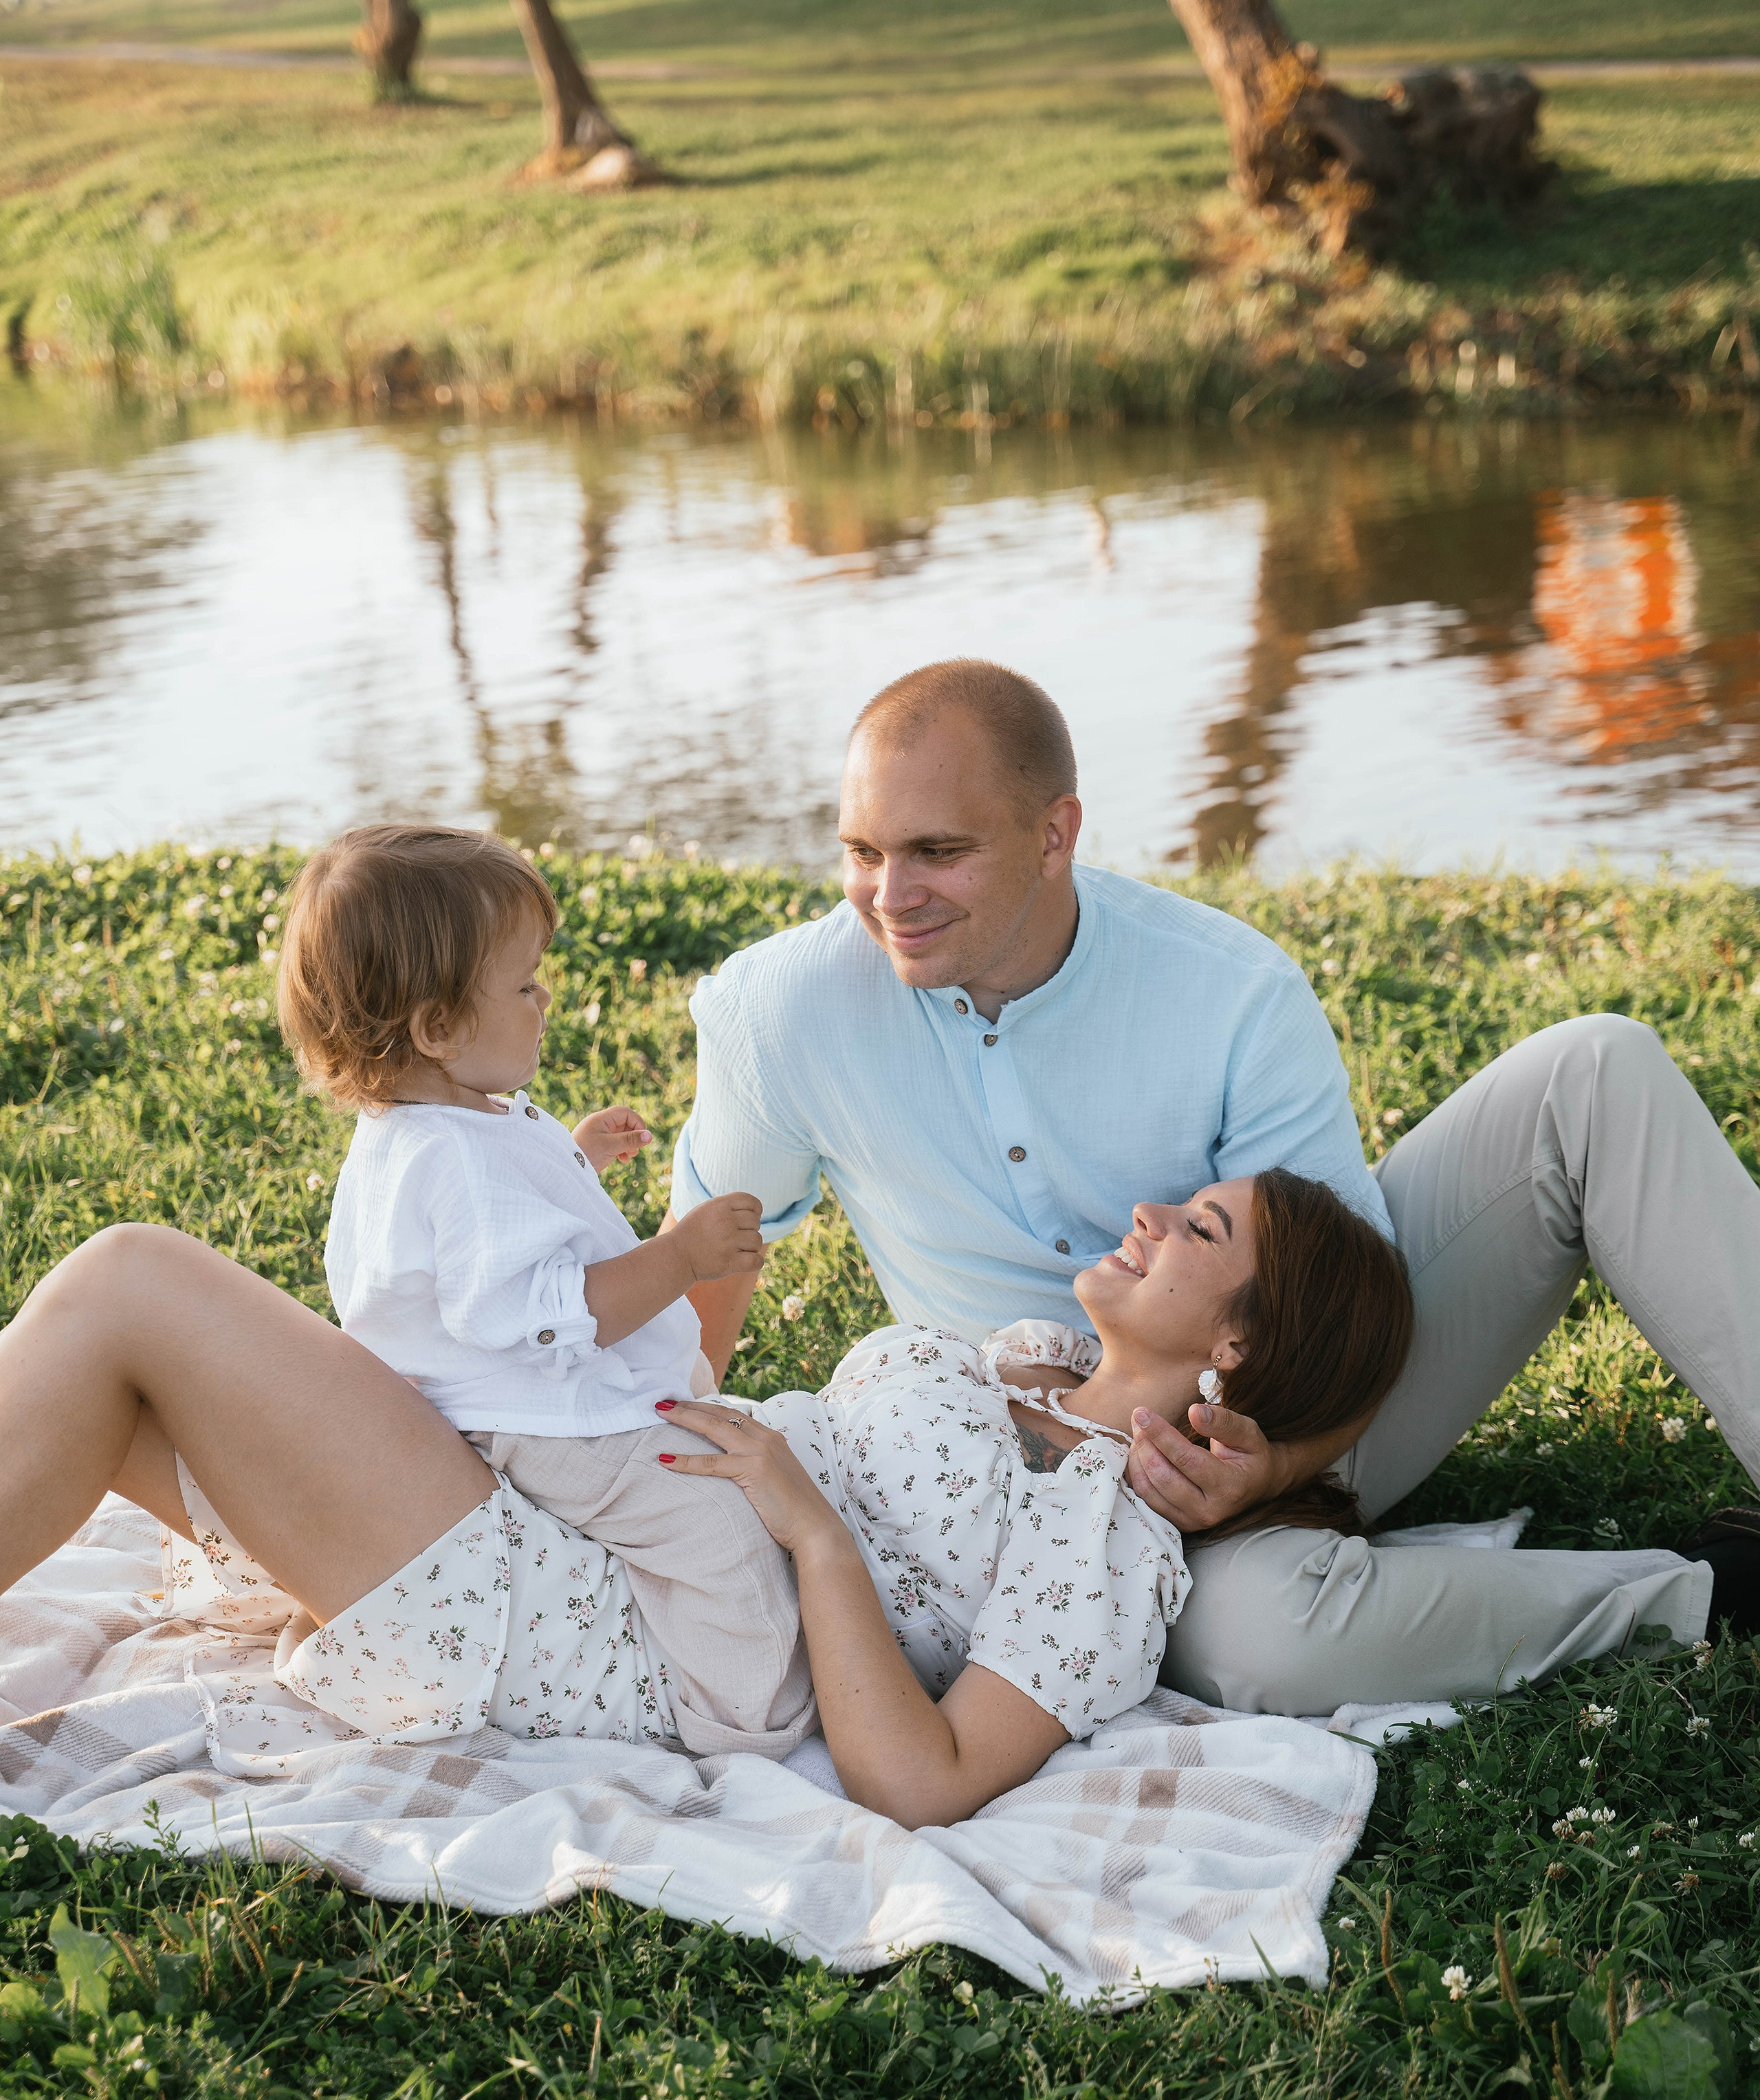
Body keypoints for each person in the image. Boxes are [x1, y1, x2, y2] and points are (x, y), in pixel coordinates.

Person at [668, 656, 1754, 1714]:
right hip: (1045, 1522)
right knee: (1261, 1642)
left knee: (1594, 1073)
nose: (890, 896)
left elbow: (1349, 1312)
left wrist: (1277, 1462)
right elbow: (697, 1273)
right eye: (863, 852)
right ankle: (1700, 1594)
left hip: (1304, 1396)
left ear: (1056, 835)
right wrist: (640, 1473)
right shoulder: (786, 1012)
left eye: (936, 852)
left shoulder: (1228, 992)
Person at [0, 1154, 1410, 1824]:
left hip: (583, 1611)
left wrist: (808, 1529)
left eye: (1203, 1227)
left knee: (129, 1286)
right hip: (562, 1485)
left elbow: (923, 1779)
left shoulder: (1103, 1541)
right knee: (99, 1366)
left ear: (1232, 1348)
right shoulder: (1022, 1369)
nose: (1154, 1210)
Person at [275, 822, 815, 1762]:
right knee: (721, 1528)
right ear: (438, 1028)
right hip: (547, 1418)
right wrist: (683, 1255)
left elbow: (481, 1239)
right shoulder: (458, 1158)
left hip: (487, 1400)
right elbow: (546, 1312)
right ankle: (755, 1726)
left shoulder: (432, 1124)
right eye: (524, 985)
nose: (545, 997)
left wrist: (570, 1153)